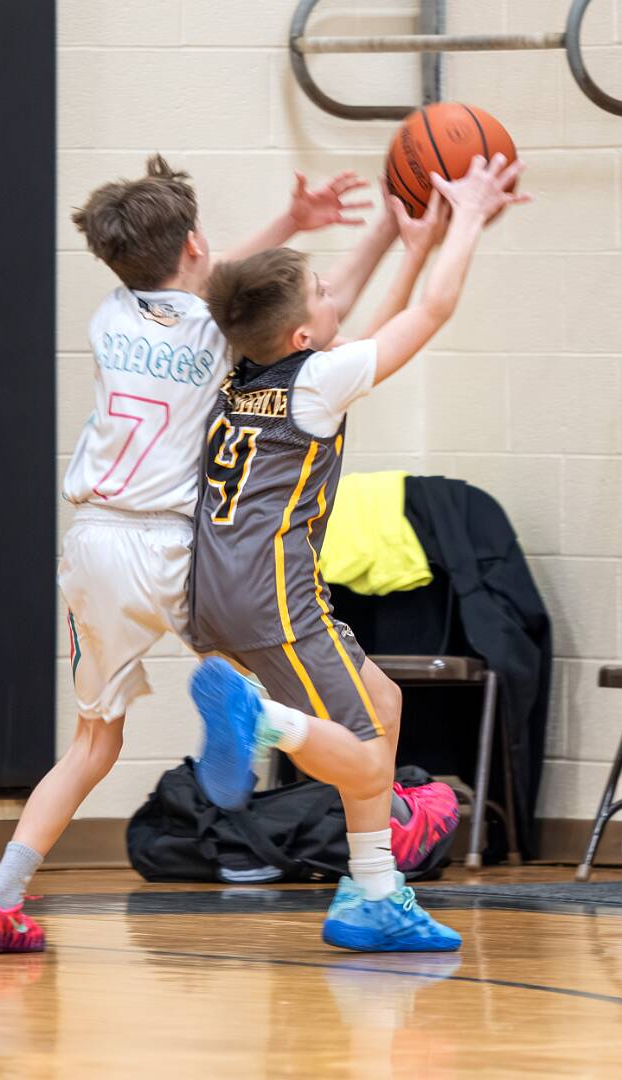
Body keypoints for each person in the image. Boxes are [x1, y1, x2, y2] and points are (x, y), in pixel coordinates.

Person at [0, 153, 401, 954]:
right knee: (302, 695)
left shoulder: (109, 316)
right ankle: (385, 815)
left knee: (93, 742)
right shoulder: (215, 330)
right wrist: (321, 228)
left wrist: (290, 221)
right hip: (176, 547)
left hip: (92, 545)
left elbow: (201, 277)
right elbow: (249, 294)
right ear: (196, 244)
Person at [189, 153, 528, 952]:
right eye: (322, 290)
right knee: (372, 764)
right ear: (302, 333)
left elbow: (353, 335)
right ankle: (263, 722)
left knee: (384, 705)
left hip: (221, 594)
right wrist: (467, 217)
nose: (333, 290)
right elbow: (431, 312)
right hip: (274, 600)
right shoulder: (314, 382)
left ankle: (370, 894)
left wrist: (406, 243)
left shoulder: (242, 370)